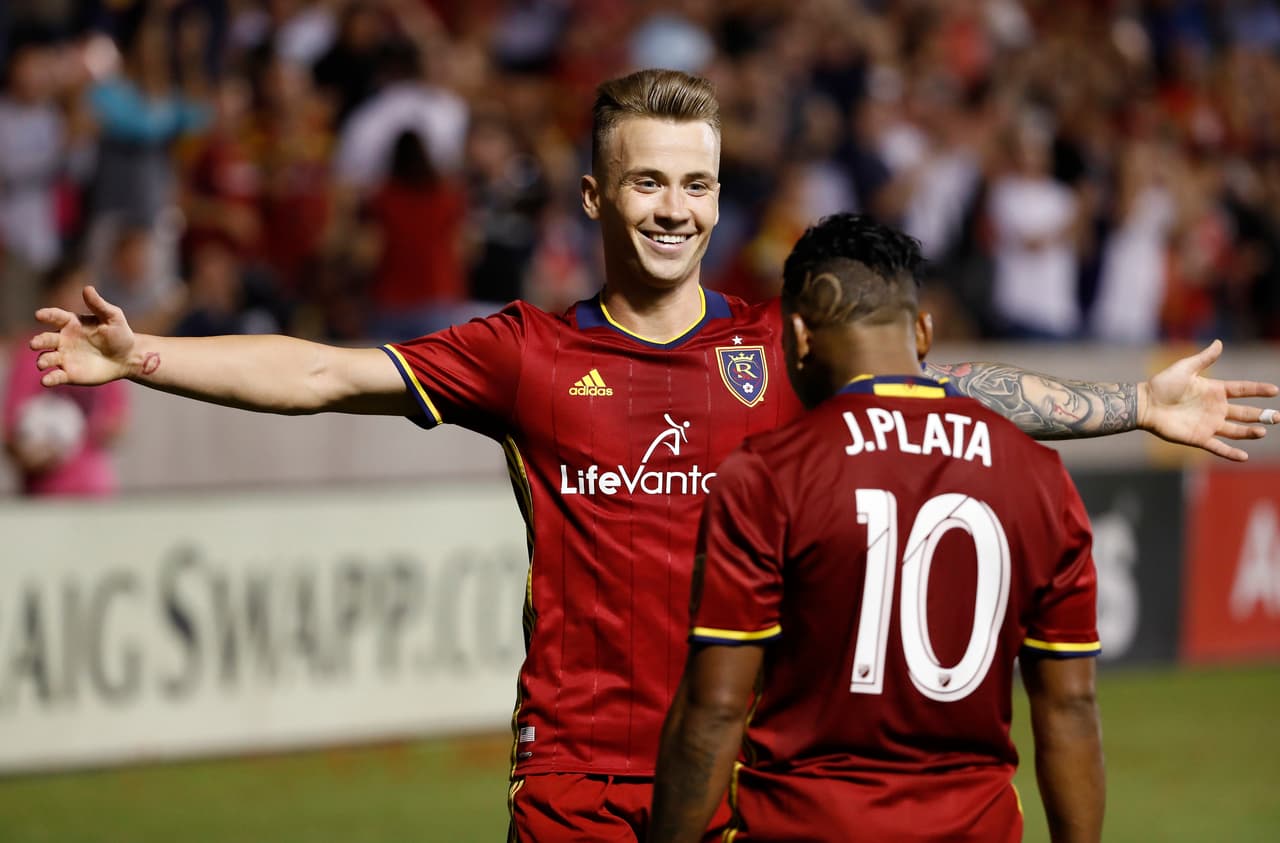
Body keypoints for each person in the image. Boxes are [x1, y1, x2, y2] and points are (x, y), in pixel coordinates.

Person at [28, 70, 1274, 841]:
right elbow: (320, 371)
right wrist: (147, 357)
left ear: (720, 195)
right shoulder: (521, 354)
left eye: (697, 181)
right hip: (574, 785)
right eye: (647, 183)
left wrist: (1130, 406)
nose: (676, 206)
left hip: (742, 789)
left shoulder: (777, 354)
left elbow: (955, 391)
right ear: (592, 199)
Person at [650, 213, 1104, 843]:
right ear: (923, 331)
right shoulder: (1040, 477)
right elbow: (1069, 705)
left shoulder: (767, 475)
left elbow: (716, 706)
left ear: (800, 335)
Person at [5, 258, 129, 497]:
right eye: (70, 292)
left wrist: (78, 430)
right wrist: (30, 454)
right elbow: (11, 428)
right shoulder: (31, 350)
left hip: (95, 489)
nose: (78, 305)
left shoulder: (102, 348)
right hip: (44, 494)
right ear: (51, 297)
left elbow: (118, 420)